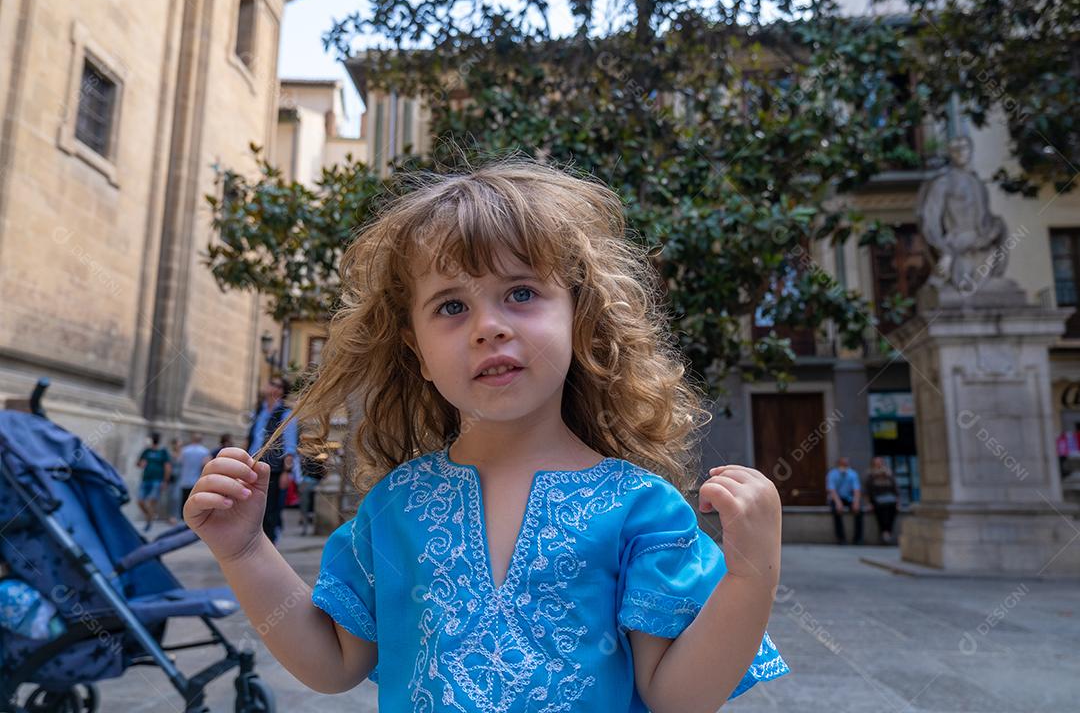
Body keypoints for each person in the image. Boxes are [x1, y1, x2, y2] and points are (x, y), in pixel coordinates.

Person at [183, 158, 790, 710]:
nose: (488, 327)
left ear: (580, 321)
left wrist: (750, 576)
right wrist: (243, 551)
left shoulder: (641, 509)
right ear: (417, 352)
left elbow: (678, 697)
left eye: (521, 293)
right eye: (451, 306)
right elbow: (333, 663)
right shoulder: (396, 505)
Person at [245, 376, 298, 544]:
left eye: (278, 386)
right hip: (252, 465)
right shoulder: (259, 411)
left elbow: (289, 446)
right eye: (271, 383)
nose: (273, 388)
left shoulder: (286, 414)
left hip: (273, 469)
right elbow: (251, 439)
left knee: (270, 509)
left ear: (283, 392)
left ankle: (269, 542)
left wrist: (286, 471)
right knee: (251, 508)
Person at [136, 432, 171, 532]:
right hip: (146, 479)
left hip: (157, 480)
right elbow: (138, 463)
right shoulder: (146, 451)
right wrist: (141, 463)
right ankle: (149, 515)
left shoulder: (163, 452)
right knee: (140, 501)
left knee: (152, 501)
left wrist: (165, 481)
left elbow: (167, 467)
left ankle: (148, 522)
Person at [826, 456, 863, 545]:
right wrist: (838, 503)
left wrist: (856, 502)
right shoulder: (832, 474)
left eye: (846, 463)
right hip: (836, 498)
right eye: (842, 463)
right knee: (836, 511)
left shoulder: (853, 474)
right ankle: (841, 538)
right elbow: (832, 490)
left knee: (859, 511)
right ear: (838, 464)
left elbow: (856, 489)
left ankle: (858, 539)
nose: (844, 465)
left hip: (849, 498)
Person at [866, 456, 901, 545]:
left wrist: (898, 502)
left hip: (890, 499)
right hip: (876, 500)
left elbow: (895, 489)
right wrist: (869, 503)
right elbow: (868, 490)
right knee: (881, 512)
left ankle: (888, 531)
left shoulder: (889, 474)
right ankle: (884, 532)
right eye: (876, 463)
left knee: (892, 510)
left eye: (880, 462)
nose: (878, 464)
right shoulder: (870, 475)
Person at [177, 433, 211, 521]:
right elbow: (206, 464)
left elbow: (179, 461)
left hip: (185, 480)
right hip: (196, 481)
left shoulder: (185, 450)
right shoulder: (204, 451)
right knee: (193, 502)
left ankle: (182, 519)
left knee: (184, 502)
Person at [297, 450, 327, 536]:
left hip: (314, 482)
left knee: (305, 503)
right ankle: (305, 522)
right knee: (305, 503)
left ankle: (306, 521)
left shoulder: (321, 454)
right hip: (308, 482)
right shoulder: (307, 455)